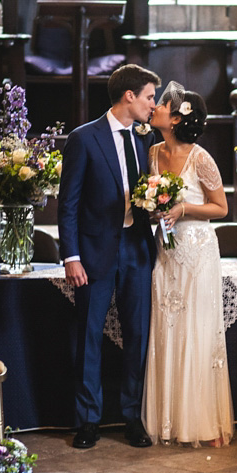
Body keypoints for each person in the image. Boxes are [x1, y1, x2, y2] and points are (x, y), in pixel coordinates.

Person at [58, 64, 159, 449]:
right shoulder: (84, 138)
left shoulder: (143, 140)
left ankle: (132, 418)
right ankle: (88, 422)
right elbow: (67, 204)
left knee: (137, 335)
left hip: (137, 249)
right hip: (94, 253)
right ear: (129, 96)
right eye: (149, 96)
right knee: (89, 337)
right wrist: (71, 256)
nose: (153, 104)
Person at [141, 82, 233, 447]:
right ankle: (168, 420)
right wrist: (153, 211)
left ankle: (203, 423)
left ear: (177, 118)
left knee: (197, 331)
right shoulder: (151, 153)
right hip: (165, 251)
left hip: (196, 251)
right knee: (166, 330)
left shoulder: (201, 157)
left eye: (163, 104)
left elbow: (221, 208)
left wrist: (183, 208)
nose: (157, 107)